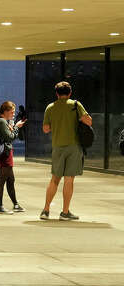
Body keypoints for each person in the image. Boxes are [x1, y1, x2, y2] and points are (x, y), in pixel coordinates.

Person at [41, 81, 92, 221]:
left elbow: (45, 129)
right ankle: (65, 212)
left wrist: (57, 125)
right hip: (74, 146)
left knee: (55, 179)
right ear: (70, 93)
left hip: (57, 147)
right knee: (69, 179)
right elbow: (88, 121)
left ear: (57, 93)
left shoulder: (50, 107)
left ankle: (46, 210)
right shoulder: (75, 105)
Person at [0, 101, 25, 214]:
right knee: (2, 180)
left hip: (5, 152)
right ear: (5, 112)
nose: (13, 114)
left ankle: (16, 204)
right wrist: (16, 127)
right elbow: (10, 137)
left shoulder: (2, 121)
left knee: (10, 180)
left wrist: (12, 126)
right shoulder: (1, 121)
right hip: (5, 153)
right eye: (12, 112)